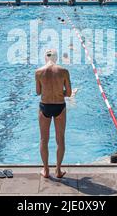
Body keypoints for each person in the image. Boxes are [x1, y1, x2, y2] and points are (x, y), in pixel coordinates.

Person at [35, 49, 72, 179]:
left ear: (46, 58)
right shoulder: (64, 71)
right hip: (59, 106)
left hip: (45, 106)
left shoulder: (38, 72)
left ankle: (45, 171)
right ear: (56, 58)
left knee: (43, 139)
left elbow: (38, 92)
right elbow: (68, 93)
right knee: (60, 139)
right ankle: (58, 170)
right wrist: (58, 91)